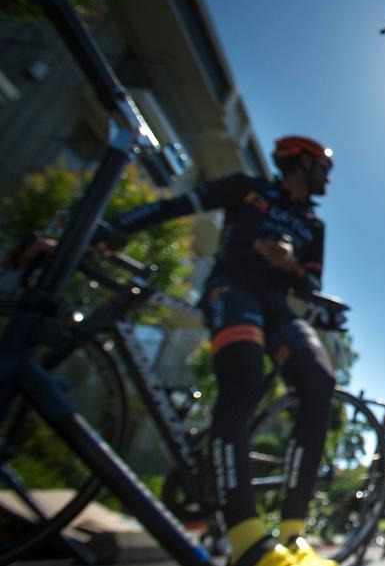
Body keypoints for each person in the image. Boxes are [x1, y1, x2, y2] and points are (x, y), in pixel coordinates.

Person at [105, 135, 341, 566]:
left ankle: (292, 536)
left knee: (319, 381)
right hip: (231, 292)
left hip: (277, 308)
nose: (329, 176)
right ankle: (246, 540)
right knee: (244, 379)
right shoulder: (246, 188)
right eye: (324, 167)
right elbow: (174, 206)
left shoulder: (315, 225)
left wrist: (289, 265)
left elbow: (310, 286)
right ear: (302, 163)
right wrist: (118, 226)